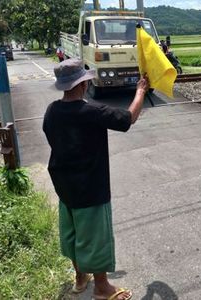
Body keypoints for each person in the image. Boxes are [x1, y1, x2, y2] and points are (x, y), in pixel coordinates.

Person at [43, 59, 149, 300]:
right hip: (90, 188)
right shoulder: (91, 111)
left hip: (64, 186)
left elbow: (52, 138)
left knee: (72, 234)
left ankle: (81, 278)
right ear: (83, 84)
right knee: (95, 238)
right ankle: (102, 289)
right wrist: (140, 91)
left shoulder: (52, 110)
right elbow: (128, 118)